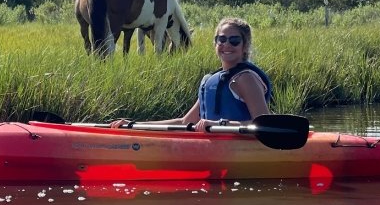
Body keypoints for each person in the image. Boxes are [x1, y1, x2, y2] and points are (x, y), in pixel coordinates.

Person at [110, 17, 272, 132]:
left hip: (239, 148)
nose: (226, 45)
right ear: (215, 43)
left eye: (234, 40)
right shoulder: (211, 80)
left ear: (245, 46)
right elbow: (185, 122)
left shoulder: (246, 78)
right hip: (211, 146)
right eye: (221, 39)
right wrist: (134, 125)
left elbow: (264, 125)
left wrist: (221, 125)